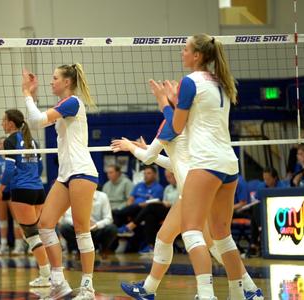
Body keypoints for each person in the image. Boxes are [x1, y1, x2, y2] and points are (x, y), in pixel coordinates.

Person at [119, 34, 262, 300]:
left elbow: (175, 127)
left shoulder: (190, 82)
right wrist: (175, 100)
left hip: (205, 164)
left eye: (185, 49)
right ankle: (241, 293)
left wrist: (164, 103)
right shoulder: (221, 81)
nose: (181, 53)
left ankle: (206, 294)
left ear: (197, 55)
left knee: (193, 232)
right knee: (221, 237)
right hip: (228, 162)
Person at [23, 63, 99, 299]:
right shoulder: (63, 105)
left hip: (82, 171)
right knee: (45, 224)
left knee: (81, 230)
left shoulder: (72, 102)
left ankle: (87, 287)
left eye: (55, 78)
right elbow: (38, 119)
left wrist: (27, 94)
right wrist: (31, 96)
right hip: (66, 173)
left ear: (67, 82)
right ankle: (59, 281)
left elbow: (36, 122)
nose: (51, 81)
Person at [0, 109, 51, 287]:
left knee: (32, 236)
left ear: (11, 123)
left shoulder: (10, 141)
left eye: (4, 120)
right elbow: (40, 166)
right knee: (39, 234)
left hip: (22, 191)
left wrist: (0, 190)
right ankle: (52, 273)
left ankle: (46, 275)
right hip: (38, 190)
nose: (2, 124)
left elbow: (9, 170)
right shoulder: (32, 141)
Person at [116, 170, 178, 254]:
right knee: (149, 216)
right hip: (165, 211)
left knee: (150, 206)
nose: (168, 179)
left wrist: (169, 204)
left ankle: (130, 226)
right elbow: (164, 201)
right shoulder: (168, 188)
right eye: (167, 177)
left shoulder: (181, 187)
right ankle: (151, 246)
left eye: (170, 177)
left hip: (176, 212)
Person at [59, 190, 117, 259]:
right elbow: (68, 217)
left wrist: (96, 225)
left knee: (112, 228)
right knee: (64, 228)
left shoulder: (103, 196)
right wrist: (80, 224)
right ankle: (79, 250)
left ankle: (103, 249)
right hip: (80, 229)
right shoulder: (74, 196)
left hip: (97, 229)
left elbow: (109, 218)